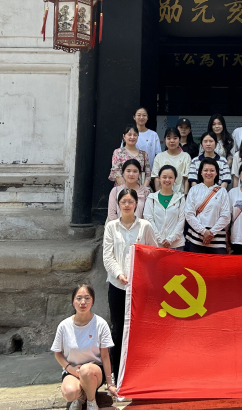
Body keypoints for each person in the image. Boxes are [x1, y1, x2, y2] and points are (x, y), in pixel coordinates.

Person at [102, 188, 158, 382]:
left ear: (136, 204)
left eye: (130, 202)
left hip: (140, 287)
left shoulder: (145, 226)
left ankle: (139, 374)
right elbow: (107, 256)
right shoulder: (111, 227)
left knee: (140, 330)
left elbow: (154, 253)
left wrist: (140, 273)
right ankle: (118, 376)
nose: (127, 205)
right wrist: (119, 273)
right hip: (117, 286)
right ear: (118, 205)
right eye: (123, 202)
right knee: (118, 330)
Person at [52, 284, 117, 410]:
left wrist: (110, 383)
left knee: (86, 371)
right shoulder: (64, 326)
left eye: (87, 298)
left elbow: (105, 356)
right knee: (70, 392)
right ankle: (81, 396)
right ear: (73, 302)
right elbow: (57, 353)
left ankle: (91, 402)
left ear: (92, 301)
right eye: (79, 298)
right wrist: (70, 369)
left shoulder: (101, 324)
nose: (83, 302)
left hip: (94, 372)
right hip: (72, 371)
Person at [184, 159, 231, 254]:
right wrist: (204, 232)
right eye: (205, 170)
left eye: (212, 170)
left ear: (216, 173)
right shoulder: (194, 190)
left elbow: (226, 217)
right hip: (196, 239)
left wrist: (211, 232)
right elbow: (189, 214)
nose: (208, 173)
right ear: (201, 172)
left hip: (218, 241)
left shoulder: (222, 191)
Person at [144, 165, 186, 250]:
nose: (167, 180)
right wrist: (160, 239)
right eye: (164, 177)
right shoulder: (151, 198)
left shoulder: (180, 198)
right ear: (159, 178)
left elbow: (181, 221)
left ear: (175, 179)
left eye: (170, 177)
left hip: (176, 244)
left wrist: (170, 239)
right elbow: (148, 219)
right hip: (156, 244)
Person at [151, 127, 191, 193]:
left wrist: (185, 195)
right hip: (163, 194)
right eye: (169, 138)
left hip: (180, 194)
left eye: (175, 138)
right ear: (165, 140)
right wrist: (159, 194)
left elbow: (186, 178)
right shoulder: (159, 157)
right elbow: (156, 178)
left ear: (179, 139)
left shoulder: (186, 156)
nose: (172, 141)